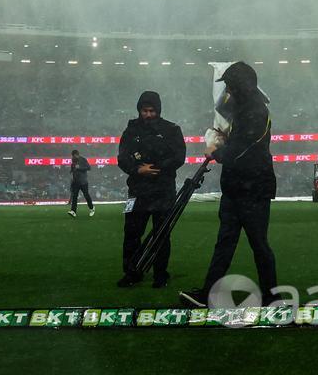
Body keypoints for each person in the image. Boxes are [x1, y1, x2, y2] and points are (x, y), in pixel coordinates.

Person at [179, 62, 279, 308]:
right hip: (237, 187)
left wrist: (215, 151)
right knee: (226, 243)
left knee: (258, 245)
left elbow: (240, 150)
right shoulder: (244, 110)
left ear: (241, 87)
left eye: (231, 87)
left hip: (253, 189)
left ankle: (273, 297)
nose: (228, 92)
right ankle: (210, 294)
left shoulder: (256, 112)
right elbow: (239, 145)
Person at [116, 91, 185, 288]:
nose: (147, 114)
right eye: (144, 110)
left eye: (151, 110)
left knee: (161, 234)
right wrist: (138, 169)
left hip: (163, 190)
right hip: (137, 190)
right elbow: (122, 158)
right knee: (131, 233)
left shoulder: (171, 129)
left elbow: (179, 157)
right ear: (139, 110)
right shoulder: (131, 131)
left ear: (158, 110)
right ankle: (131, 273)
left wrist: (155, 169)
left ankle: (160, 275)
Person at [68, 149, 94, 218]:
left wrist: (80, 168)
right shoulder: (73, 160)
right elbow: (74, 169)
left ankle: (91, 208)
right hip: (76, 182)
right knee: (74, 197)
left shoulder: (83, 160)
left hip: (83, 182)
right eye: (72, 156)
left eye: (74, 156)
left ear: (77, 154)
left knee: (86, 195)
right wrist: (72, 170)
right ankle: (73, 211)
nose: (73, 157)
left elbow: (89, 168)